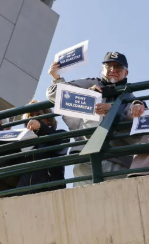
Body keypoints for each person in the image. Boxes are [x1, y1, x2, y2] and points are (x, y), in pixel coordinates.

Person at [46, 50, 136, 182]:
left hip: (118, 162)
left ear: (126, 72)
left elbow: (137, 131)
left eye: (117, 67)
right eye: (108, 66)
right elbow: (53, 93)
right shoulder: (90, 84)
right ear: (102, 68)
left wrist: (113, 112)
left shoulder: (132, 98)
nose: (112, 70)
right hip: (86, 158)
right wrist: (87, 96)